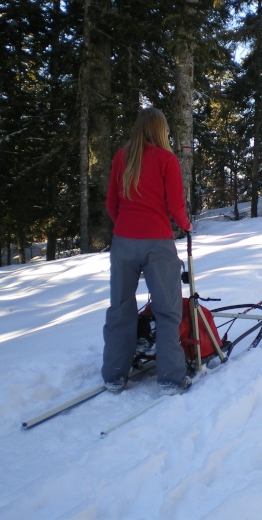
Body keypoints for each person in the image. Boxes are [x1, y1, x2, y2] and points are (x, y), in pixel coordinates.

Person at [103, 107, 193, 395]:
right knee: (167, 310)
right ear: (160, 129)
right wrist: (186, 226)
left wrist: (126, 228)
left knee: (120, 306)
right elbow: (175, 205)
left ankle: (115, 374)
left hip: (123, 242)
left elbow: (110, 203)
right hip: (157, 242)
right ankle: (170, 378)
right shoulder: (167, 159)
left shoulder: (122, 156)